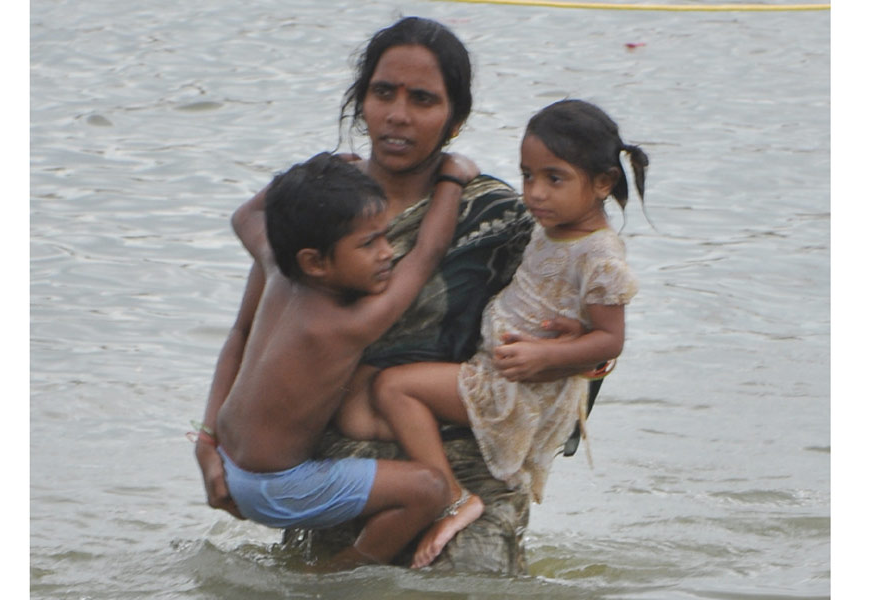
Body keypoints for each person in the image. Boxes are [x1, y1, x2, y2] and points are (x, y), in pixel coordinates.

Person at [195, 16, 576, 573]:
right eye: (383, 93)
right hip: (332, 481)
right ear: (361, 101)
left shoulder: (498, 221)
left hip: (462, 474)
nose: (398, 114)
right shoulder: (315, 220)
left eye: (423, 99)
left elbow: (576, 330)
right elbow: (247, 335)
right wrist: (209, 443)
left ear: (456, 118)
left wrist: (579, 356)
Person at [361, 99, 648, 568]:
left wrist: (543, 357)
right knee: (375, 400)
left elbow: (611, 340)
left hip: (516, 386)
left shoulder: (599, 255)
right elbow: (587, 326)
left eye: (554, 179)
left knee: (394, 388)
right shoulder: (556, 228)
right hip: (505, 370)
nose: (535, 192)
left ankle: (453, 499)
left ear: (602, 183)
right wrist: (575, 332)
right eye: (528, 175)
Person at [210, 150, 478, 567]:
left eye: (386, 236)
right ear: (315, 262)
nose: (388, 252)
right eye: (369, 243)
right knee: (430, 488)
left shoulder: (278, 267)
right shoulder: (343, 323)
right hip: (277, 486)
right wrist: (453, 179)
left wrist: (317, 168)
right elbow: (427, 253)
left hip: (229, 460)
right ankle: (337, 574)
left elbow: (245, 215)